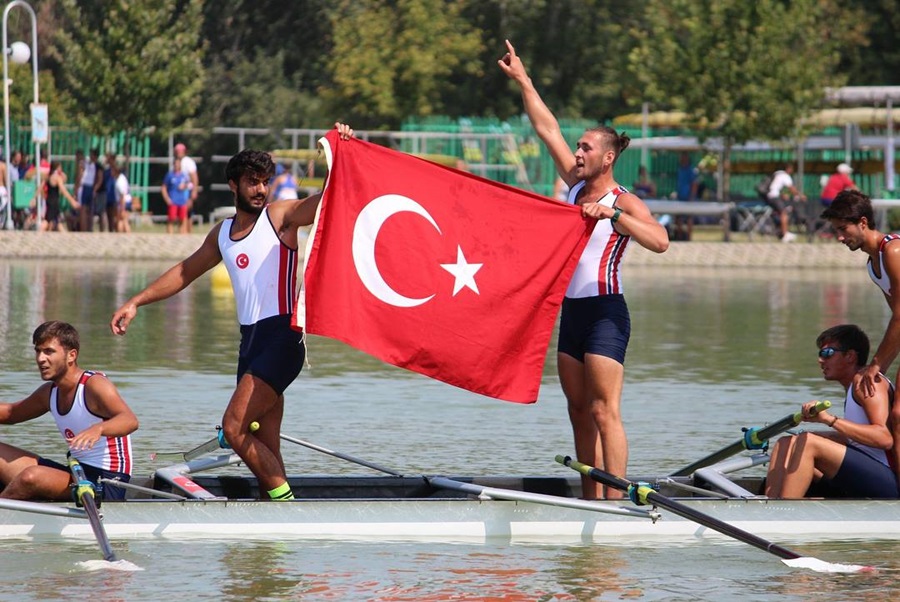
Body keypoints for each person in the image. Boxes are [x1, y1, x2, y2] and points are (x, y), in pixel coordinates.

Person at [110, 122, 354, 502]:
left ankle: (285, 506)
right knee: (262, 440)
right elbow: (184, 272)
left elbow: (325, 202)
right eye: (253, 182)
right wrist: (135, 301)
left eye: (265, 181)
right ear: (234, 185)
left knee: (234, 427)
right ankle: (274, 523)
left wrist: (339, 154)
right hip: (250, 343)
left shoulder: (281, 217)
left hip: (283, 338)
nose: (261, 189)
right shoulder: (222, 234)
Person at [498, 40, 669, 499]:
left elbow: (660, 242)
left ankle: (618, 498)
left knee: (603, 410)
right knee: (576, 410)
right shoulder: (574, 188)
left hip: (606, 314)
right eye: (578, 146)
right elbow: (547, 129)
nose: (577, 151)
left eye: (586, 147)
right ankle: (591, 497)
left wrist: (613, 217)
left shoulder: (623, 200)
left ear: (608, 157)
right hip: (571, 313)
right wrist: (524, 80)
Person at [0, 321, 138, 501]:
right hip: (75, 471)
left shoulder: (94, 385)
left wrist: (99, 429)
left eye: (49, 351)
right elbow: (11, 413)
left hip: (106, 482)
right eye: (38, 351)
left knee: (30, 477)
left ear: (71, 355)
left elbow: (129, 420)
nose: (40, 358)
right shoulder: (50, 392)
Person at [765, 324, 897, 498]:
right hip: (866, 471)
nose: (821, 360)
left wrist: (828, 420)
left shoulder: (867, 382)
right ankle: (770, 506)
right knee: (787, 442)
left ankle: (785, 514)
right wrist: (817, 428)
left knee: (808, 442)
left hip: (889, 481)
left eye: (827, 354)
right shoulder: (852, 387)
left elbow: (884, 438)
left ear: (850, 356)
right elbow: (857, 440)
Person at [822, 189, 900, 478]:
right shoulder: (872, 265)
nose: (840, 238)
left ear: (863, 222)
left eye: (843, 229)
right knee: (896, 416)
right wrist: (878, 369)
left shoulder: (893, 250)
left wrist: (877, 365)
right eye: (836, 231)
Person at [765, 163, 806, 243]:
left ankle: (779, 231)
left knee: (779, 212)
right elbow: (792, 188)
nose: (792, 170)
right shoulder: (785, 176)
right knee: (784, 213)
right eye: (791, 168)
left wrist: (782, 195)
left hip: (769, 196)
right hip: (774, 197)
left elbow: (774, 187)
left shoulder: (776, 174)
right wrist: (801, 196)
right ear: (787, 169)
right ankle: (785, 234)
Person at [42, 161, 80, 232]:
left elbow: (41, 187)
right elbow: (64, 190)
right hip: (54, 202)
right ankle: (38, 232)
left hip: (49, 200)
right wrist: (72, 201)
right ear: (58, 167)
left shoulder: (49, 176)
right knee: (47, 221)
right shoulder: (57, 178)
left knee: (57, 222)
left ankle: (65, 236)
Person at [162, 157, 192, 234]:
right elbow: (164, 187)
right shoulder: (170, 175)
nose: (176, 165)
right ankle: (170, 233)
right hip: (173, 200)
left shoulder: (184, 175)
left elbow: (190, 185)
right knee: (171, 218)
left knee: (182, 218)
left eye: (178, 164)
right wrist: (167, 198)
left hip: (182, 200)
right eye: (175, 164)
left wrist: (185, 186)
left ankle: (181, 233)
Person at [174, 143, 199, 233]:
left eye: (180, 151)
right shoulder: (177, 161)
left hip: (187, 190)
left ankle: (188, 231)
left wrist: (194, 191)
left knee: (187, 211)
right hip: (179, 191)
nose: (178, 153)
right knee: (180, 211)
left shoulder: (188, 162)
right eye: (177, 151)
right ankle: (182, 230)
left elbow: (194, 177)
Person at [673, 152, 697, 240]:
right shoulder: (680, 169)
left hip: (688, 197)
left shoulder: (691, 170)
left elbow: (694, 184)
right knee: (679, 217)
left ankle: (689, 237)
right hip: (680, 196)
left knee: (689, 218)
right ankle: (679, 236)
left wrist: (691, 196)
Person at [113, 161, 132, 233]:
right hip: (125, 201)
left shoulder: (119, 182)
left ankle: (123, 234)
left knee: (122, 220)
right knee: (122, 220)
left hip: (124, 202)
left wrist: (122, 208)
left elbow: (122, 196)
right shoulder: (121, 178)